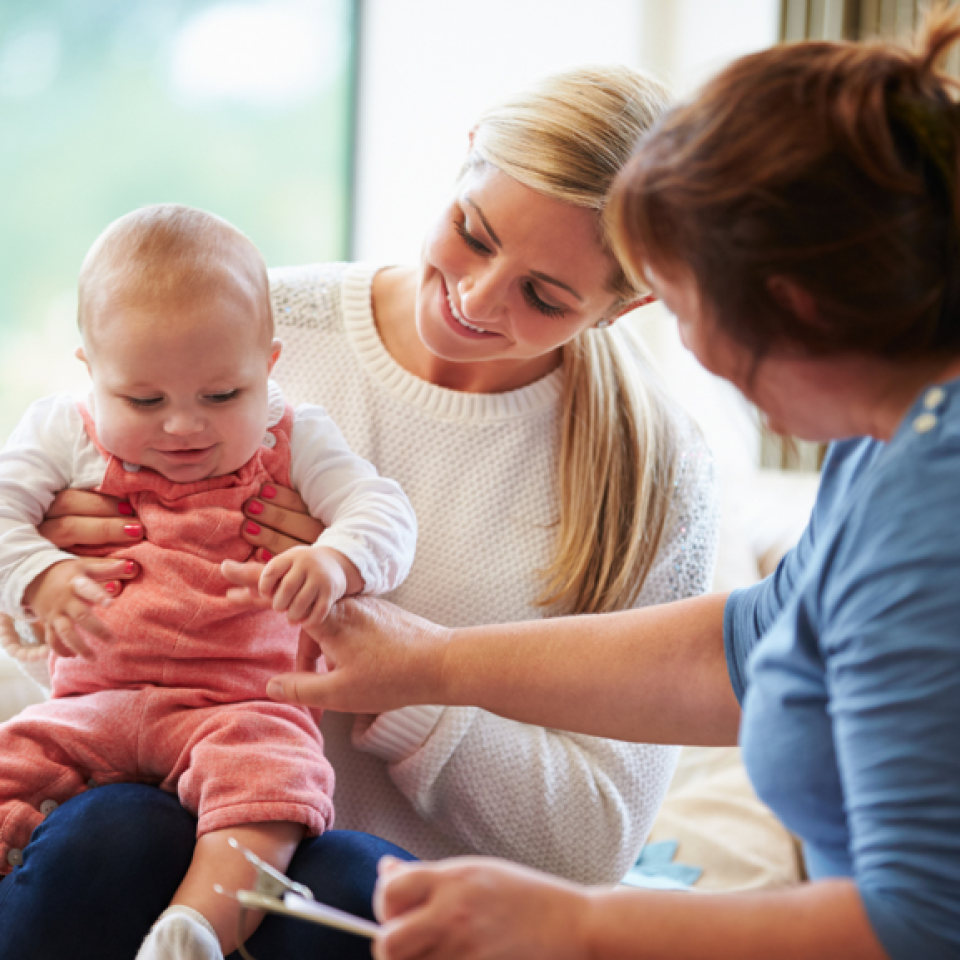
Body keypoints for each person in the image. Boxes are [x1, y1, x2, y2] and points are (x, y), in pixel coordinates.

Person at [259, 12, 960, 960]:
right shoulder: (886, 440)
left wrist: (582, 926)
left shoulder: (936, 504)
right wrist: (430, 662)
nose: (694, 356)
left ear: (789, 306)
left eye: (676, 305)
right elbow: (754, 641)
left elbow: (922, 923)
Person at [0, 66, 720, 959]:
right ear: (463, 165)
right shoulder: (242, 320)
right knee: (112, 838)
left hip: (381, 894)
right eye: (473, 232)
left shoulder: (655, 474)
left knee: (357, 890)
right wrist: (44, 580)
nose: (476, 299)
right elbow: (48, 611)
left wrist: (412, 676)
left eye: (545, 296)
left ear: (628, 304)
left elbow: (597, 842)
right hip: (139, 824)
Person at [0, 203, 417, 960]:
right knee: (11, 767)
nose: (184, 427)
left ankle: (194, 927)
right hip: (90, 705)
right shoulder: (63, 431)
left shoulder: (296, 439)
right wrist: (38, 572)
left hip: (235, 704)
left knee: (273, 781)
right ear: (90, 373)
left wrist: (337, 560)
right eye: (144, 401)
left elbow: (382, 511)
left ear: (269, 366)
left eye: (222, 397)